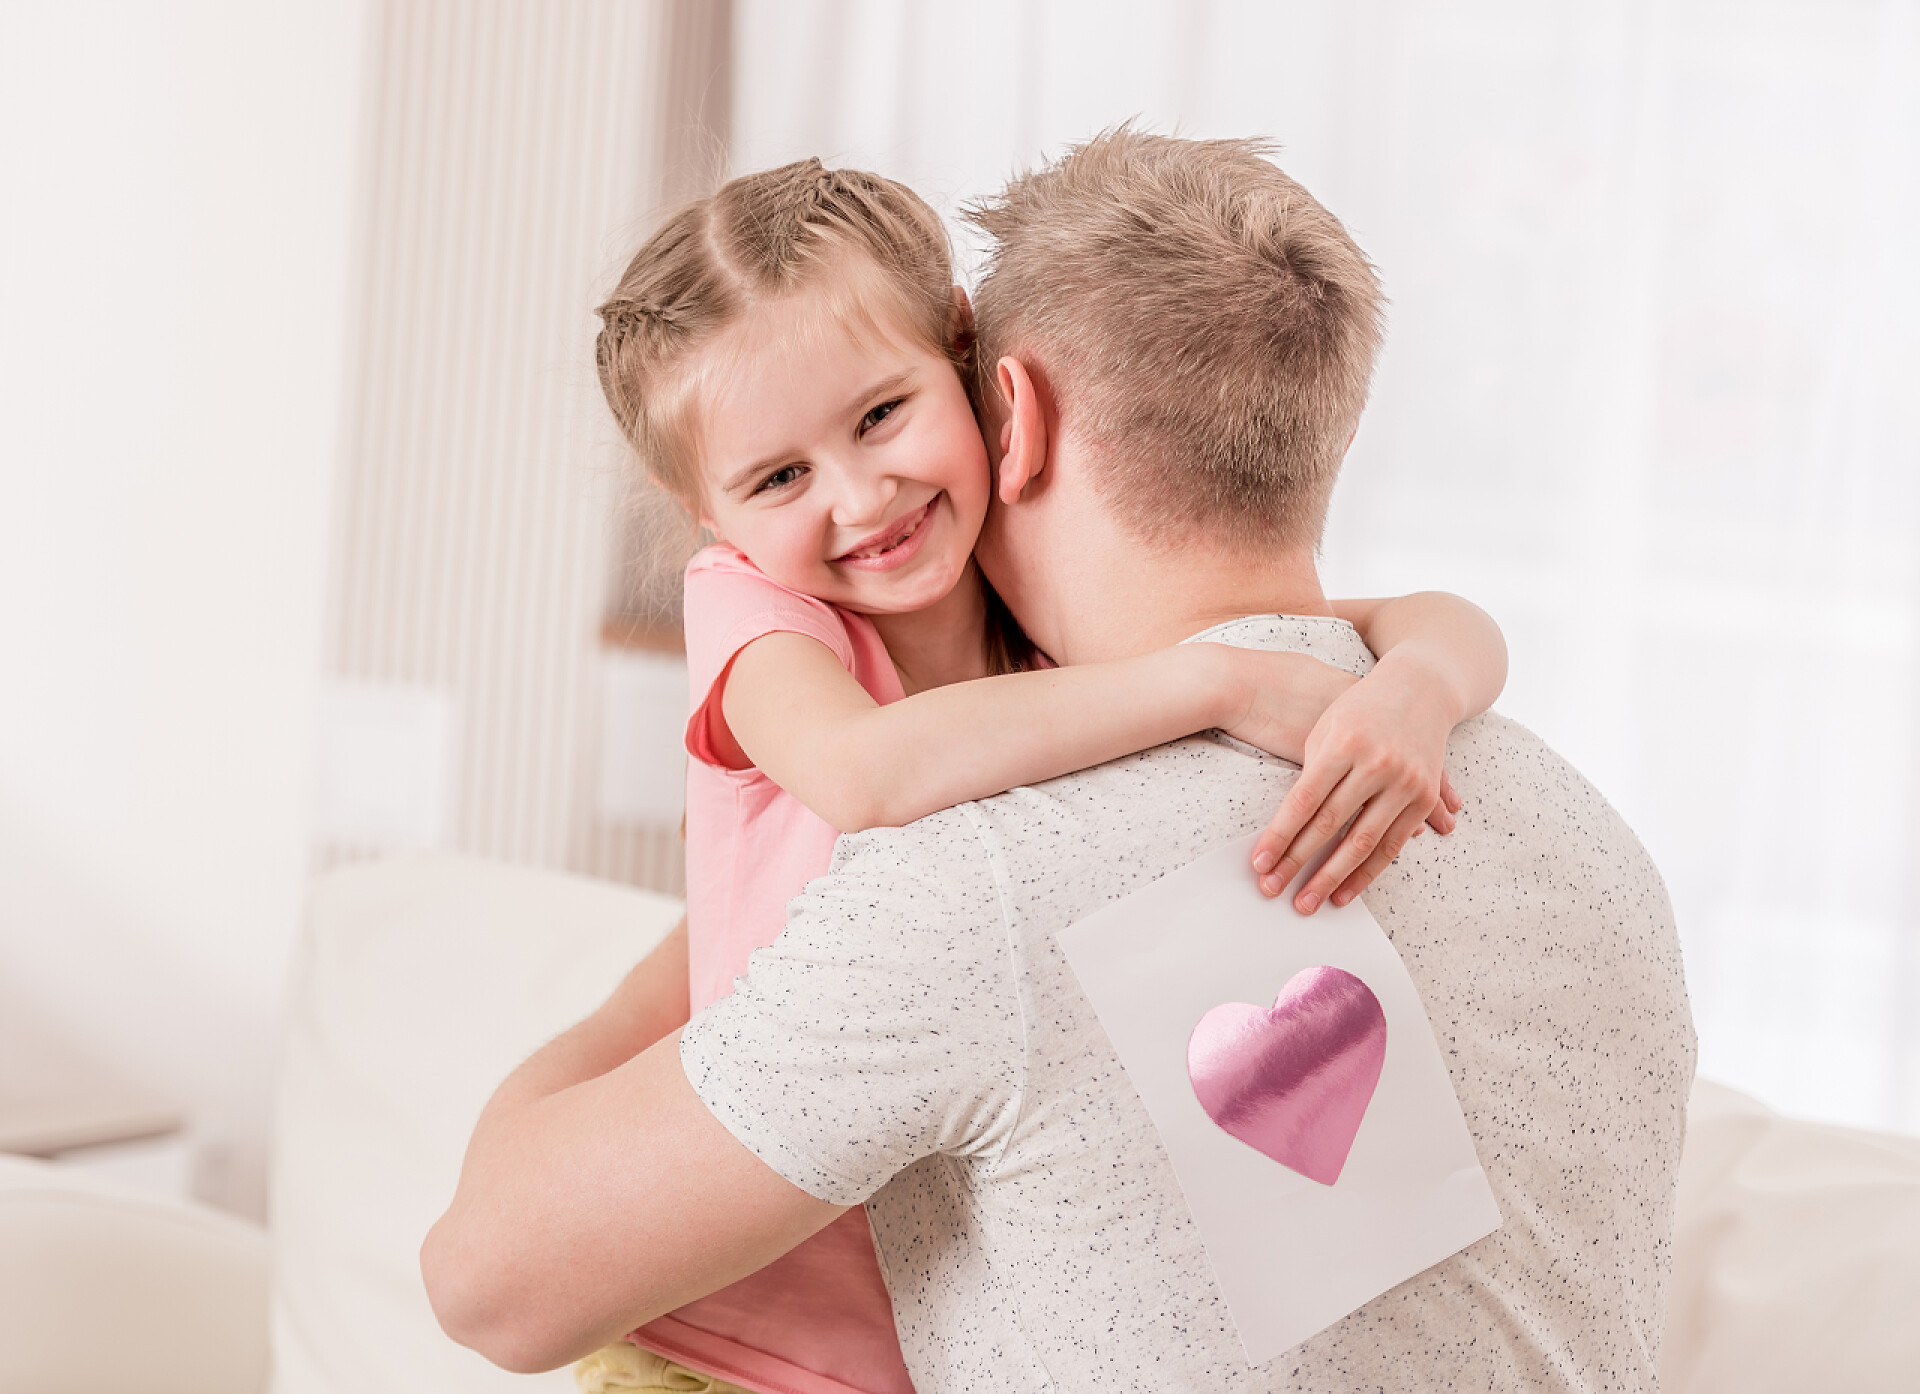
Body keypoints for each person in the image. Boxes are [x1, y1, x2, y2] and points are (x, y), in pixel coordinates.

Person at [424, 131, 1697, 1393]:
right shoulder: (1588, 840)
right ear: (713, 511)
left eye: (883, 415)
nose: (861, 499)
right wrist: (1258, 681)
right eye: (781, 475)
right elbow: (863, 771)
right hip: (728, 1317)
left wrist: (1415, 682)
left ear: (998, 406)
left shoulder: (1008, 825)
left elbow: (484, 1282)